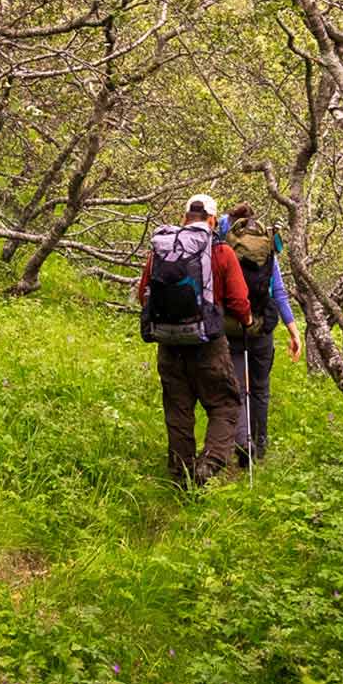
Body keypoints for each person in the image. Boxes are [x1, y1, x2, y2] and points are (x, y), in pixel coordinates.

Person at [138, 194, 252, 486]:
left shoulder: (162, 249)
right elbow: (239, 302)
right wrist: (248, 320)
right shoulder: (221, 251)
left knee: (178, 408)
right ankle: (208, 466)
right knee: (225, 404)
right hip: (207, 344)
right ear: (213, 220)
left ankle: (180, 476)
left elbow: (143, 296)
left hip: (168, 343)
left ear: (184, 217)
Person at [218, 203, 302, 468]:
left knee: (238, 389)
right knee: (260, 389)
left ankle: (243, 444)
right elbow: (277, 290)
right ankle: (260, 446)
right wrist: (293, 329)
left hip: (231, 327)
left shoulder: (222, 241)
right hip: (262, 326)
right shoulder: (265, 246)